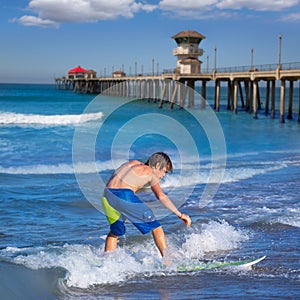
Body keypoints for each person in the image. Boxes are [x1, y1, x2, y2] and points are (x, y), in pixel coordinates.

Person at [101, 152, 192, 258]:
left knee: (115, 232)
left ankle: (107, 262)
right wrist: (180, 214)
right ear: (158, 165)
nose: (163, 176)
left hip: (106, 196)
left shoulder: (131, 163)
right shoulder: (151, 173)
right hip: (124, 195)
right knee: (156, 227)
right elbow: (161, 196)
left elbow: (120, 181)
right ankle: (168, 261)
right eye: (164, 172)